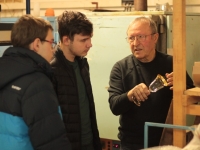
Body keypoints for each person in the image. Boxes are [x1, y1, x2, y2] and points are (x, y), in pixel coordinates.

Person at [108, 16, 194, 150]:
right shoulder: (121, 68)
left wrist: (182, 88)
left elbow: (193, 101)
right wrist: (130, 95)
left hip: (168, 140)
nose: (135, 43)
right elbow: (114, 106)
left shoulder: (172, 64)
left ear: (155, 37)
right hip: (132, 143)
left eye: (141, 37)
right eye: (131, 38)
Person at [0, 15, 71, 150]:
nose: (53, 49)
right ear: (37, 44)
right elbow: (52, 142)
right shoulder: (37, 84)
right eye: (51, 43)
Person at [50, 11, 102, 150]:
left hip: (89, 143)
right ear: (66, 40)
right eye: (83, 40)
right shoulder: (51, 70)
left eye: (90, 38)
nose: (89, 44)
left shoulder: (82, 64)